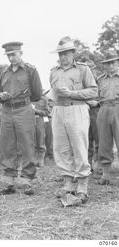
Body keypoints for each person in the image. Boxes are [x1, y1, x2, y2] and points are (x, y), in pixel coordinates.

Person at [49, 36, 98, 204]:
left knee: (79, 146)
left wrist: (71, 93)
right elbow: (52, 91)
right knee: (61, 148)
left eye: (66, 53)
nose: (63, 57)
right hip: (58, 109)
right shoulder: (54, 71)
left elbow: (93, 91)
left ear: (72, 53)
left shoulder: (83, 69)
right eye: (60, 53)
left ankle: (82, 186)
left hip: (77, 108)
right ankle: (68, 183)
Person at [0, 41, 42, 196]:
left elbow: (37, 93)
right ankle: (9, 183)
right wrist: (1, 96)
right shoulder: (4, 72)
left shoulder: (30, 70)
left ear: (21, 53)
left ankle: (27, 181)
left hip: (23, 109)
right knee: (7, 146)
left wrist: (23, 100)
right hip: (7, 111)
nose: (11, 58)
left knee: (27, 144)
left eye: (13, 54)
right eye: (8, 55)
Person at [96, 51, 119, 185]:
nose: (110, 65)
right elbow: (96, 95)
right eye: (107, 63)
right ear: (104, 65)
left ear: (117, 63)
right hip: (104, 108)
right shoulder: (100, 79)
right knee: (104, 142)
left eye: (112, 62)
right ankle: (105, 173)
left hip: (118, 107)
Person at [33, 89, 51, 167]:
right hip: (29, 121)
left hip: (40, 120)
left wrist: (36, 111)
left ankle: (41, 160)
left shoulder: (44, 100)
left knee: (40, 140)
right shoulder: (29, 99)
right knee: (31, 140)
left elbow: (47, 112)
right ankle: (34, 159)